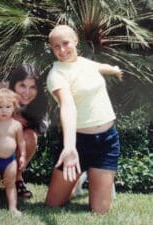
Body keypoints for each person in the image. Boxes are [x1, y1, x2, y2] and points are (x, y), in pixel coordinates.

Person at [45, 25, 123, 214]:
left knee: (100, 210)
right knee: (53, 204)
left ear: (75, 41)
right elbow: (68, 106)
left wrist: (114, 70)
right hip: (77, 142)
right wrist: (70, 147)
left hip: (107, 141)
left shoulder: (85, 62)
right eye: (56, 46)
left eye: (65, 43)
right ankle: (75, 178)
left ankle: (81, 178)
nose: (62, 50)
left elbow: (98, 68)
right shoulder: (57, 74)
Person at [0, 64, 49, 199]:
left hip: (14, 145)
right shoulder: (0, 95)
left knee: (30, 135)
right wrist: (6, 120)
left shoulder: (40, 102)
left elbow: (43, 127)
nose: (27, 92)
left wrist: (23, 123)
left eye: (32, 87)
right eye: (22, 85)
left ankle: (16, 179)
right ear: (13, 84)